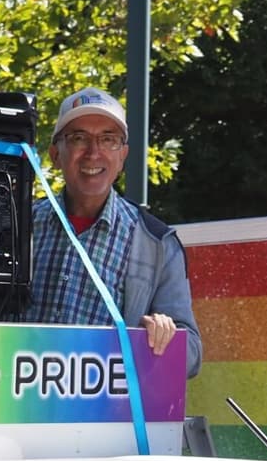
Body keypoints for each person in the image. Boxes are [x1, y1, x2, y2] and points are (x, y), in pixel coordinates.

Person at [20, 87, 201, 377]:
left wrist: (162, 335)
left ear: (123, 155)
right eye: (78, 138)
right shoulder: (18, 225)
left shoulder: (157, 243)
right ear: (55, 154)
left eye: (108, 139)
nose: (93, 152)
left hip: (101, 417)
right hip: (12, 410)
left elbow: (191, 354)